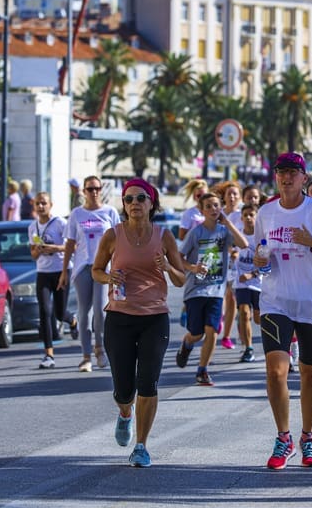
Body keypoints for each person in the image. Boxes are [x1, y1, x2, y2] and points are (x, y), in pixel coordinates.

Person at [253, 152, 312, 469]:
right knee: (276, 371)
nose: (287, 177)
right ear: (276, 177)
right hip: (275, 302)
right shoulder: (266, 213)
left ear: (304, 178)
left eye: (293, 172)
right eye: (281, 172)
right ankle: (284, 437)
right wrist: (260, 260)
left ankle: (307, 436)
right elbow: (259, 251)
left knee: (310, 373)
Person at [90, 178, 190, 467]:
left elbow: (181, 279)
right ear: (123, 205)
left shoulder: (165, 236)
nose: (135, 203)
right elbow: (95, 270)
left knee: (148, 382)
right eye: (129, 199)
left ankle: (142, 445)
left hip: (154, 318)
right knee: (124, 387)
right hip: (119, 317)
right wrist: (109, 277)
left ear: (152, 204)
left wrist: (168, 267)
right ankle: (125, 413)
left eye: (141, 198)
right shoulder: (112, 235)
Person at [175, 192, 248, 385]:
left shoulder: (224, 232)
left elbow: (243, 244)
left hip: (216, 290)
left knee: (212, 331)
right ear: (202, 210)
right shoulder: (196, 233)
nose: (214, 209)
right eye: (209, 206)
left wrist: (228, 223)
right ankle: (187, 343)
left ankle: (202, 370)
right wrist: (193, 268)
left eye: (217, 205)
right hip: (196, 290)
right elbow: (179, 258)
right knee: (197, 332)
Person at [61, 175, 121, 371]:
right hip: (83, 267)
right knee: (84, 313)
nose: (94, 192)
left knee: (100, 310)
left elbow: (119, 241)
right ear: (84, 192)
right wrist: (64, 271)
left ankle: (100, 349)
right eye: (90, 189)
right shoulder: (77, 214)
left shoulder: (110, 212)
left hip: (104, 268)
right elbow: (69, 243)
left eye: (97, 188)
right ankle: (86, 356)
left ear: (101, 189)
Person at [28, 192, 67, 369]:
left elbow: (71, 246)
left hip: (60, 270)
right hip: (43, 272)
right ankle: (48, 354)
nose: (41, 206)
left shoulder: (60, 223)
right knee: (45, 311)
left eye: (44, 203)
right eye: (38, 204)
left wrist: (55, 248)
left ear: (51, 204)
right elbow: (33, 255)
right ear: (34, 206)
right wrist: (38, 250)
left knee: (59, 313)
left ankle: (71, 320)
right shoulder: (32, 227)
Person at [215, 180, 244, 351]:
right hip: (218, 260)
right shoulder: (217, 214)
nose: (232, 197)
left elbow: (246, 237)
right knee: (221, 294)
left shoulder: (243, 214)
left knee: (232, 298)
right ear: (224, 197)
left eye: (235, 194)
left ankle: (226, 336)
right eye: (229, 194)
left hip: (237, 263)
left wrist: (237, 251)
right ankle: (218, 318)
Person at [234, 202, 263, 362]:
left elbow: (267, 264)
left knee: (258, 319)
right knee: (244, 313)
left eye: (251, 215)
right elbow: (231, 251)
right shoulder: (238, 235)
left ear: (257, 217)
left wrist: (252, 274)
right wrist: (232, 256)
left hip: (258, 283)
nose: (248, 218)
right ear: (241, 218)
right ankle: (248, 348)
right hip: (241, 283)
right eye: (245, 215)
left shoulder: (261, 238)